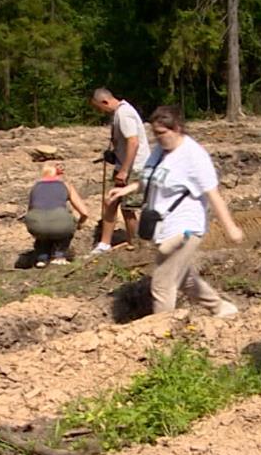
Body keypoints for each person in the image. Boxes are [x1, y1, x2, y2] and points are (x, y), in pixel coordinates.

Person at [106, 106, 245, 317]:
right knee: (182, 276)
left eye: (162, 133)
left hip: (185, 227)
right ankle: (221, 308)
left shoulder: (194, 156)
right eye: (155, 133)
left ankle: (162, 333)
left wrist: (231, 228)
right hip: (162, 226)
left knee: (162, 282)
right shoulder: (159, 152)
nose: (158, 138)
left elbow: (213, 195)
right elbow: (151, 180)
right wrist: (128, 188)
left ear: (177, 128)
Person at [90, 88, 152, 255]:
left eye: (99, 108)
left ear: (105, 102)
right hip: (122, 165)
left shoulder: (124, 114)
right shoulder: (119, 113)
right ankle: (104, 243)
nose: (100, 111)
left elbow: (133, 142)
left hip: (133, 167)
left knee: (128, 207)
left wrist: (124, 171)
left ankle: (137, 243)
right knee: (110, 202)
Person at [25, 164, 90, 268]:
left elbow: (31, 211)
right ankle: (59, 256)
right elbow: (84, 212)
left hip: (35, 222)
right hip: (60, 222)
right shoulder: (66, 185)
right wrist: (79, 224)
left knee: (43, 230)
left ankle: (42, 257)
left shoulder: (35, 187)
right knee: (64, 225)